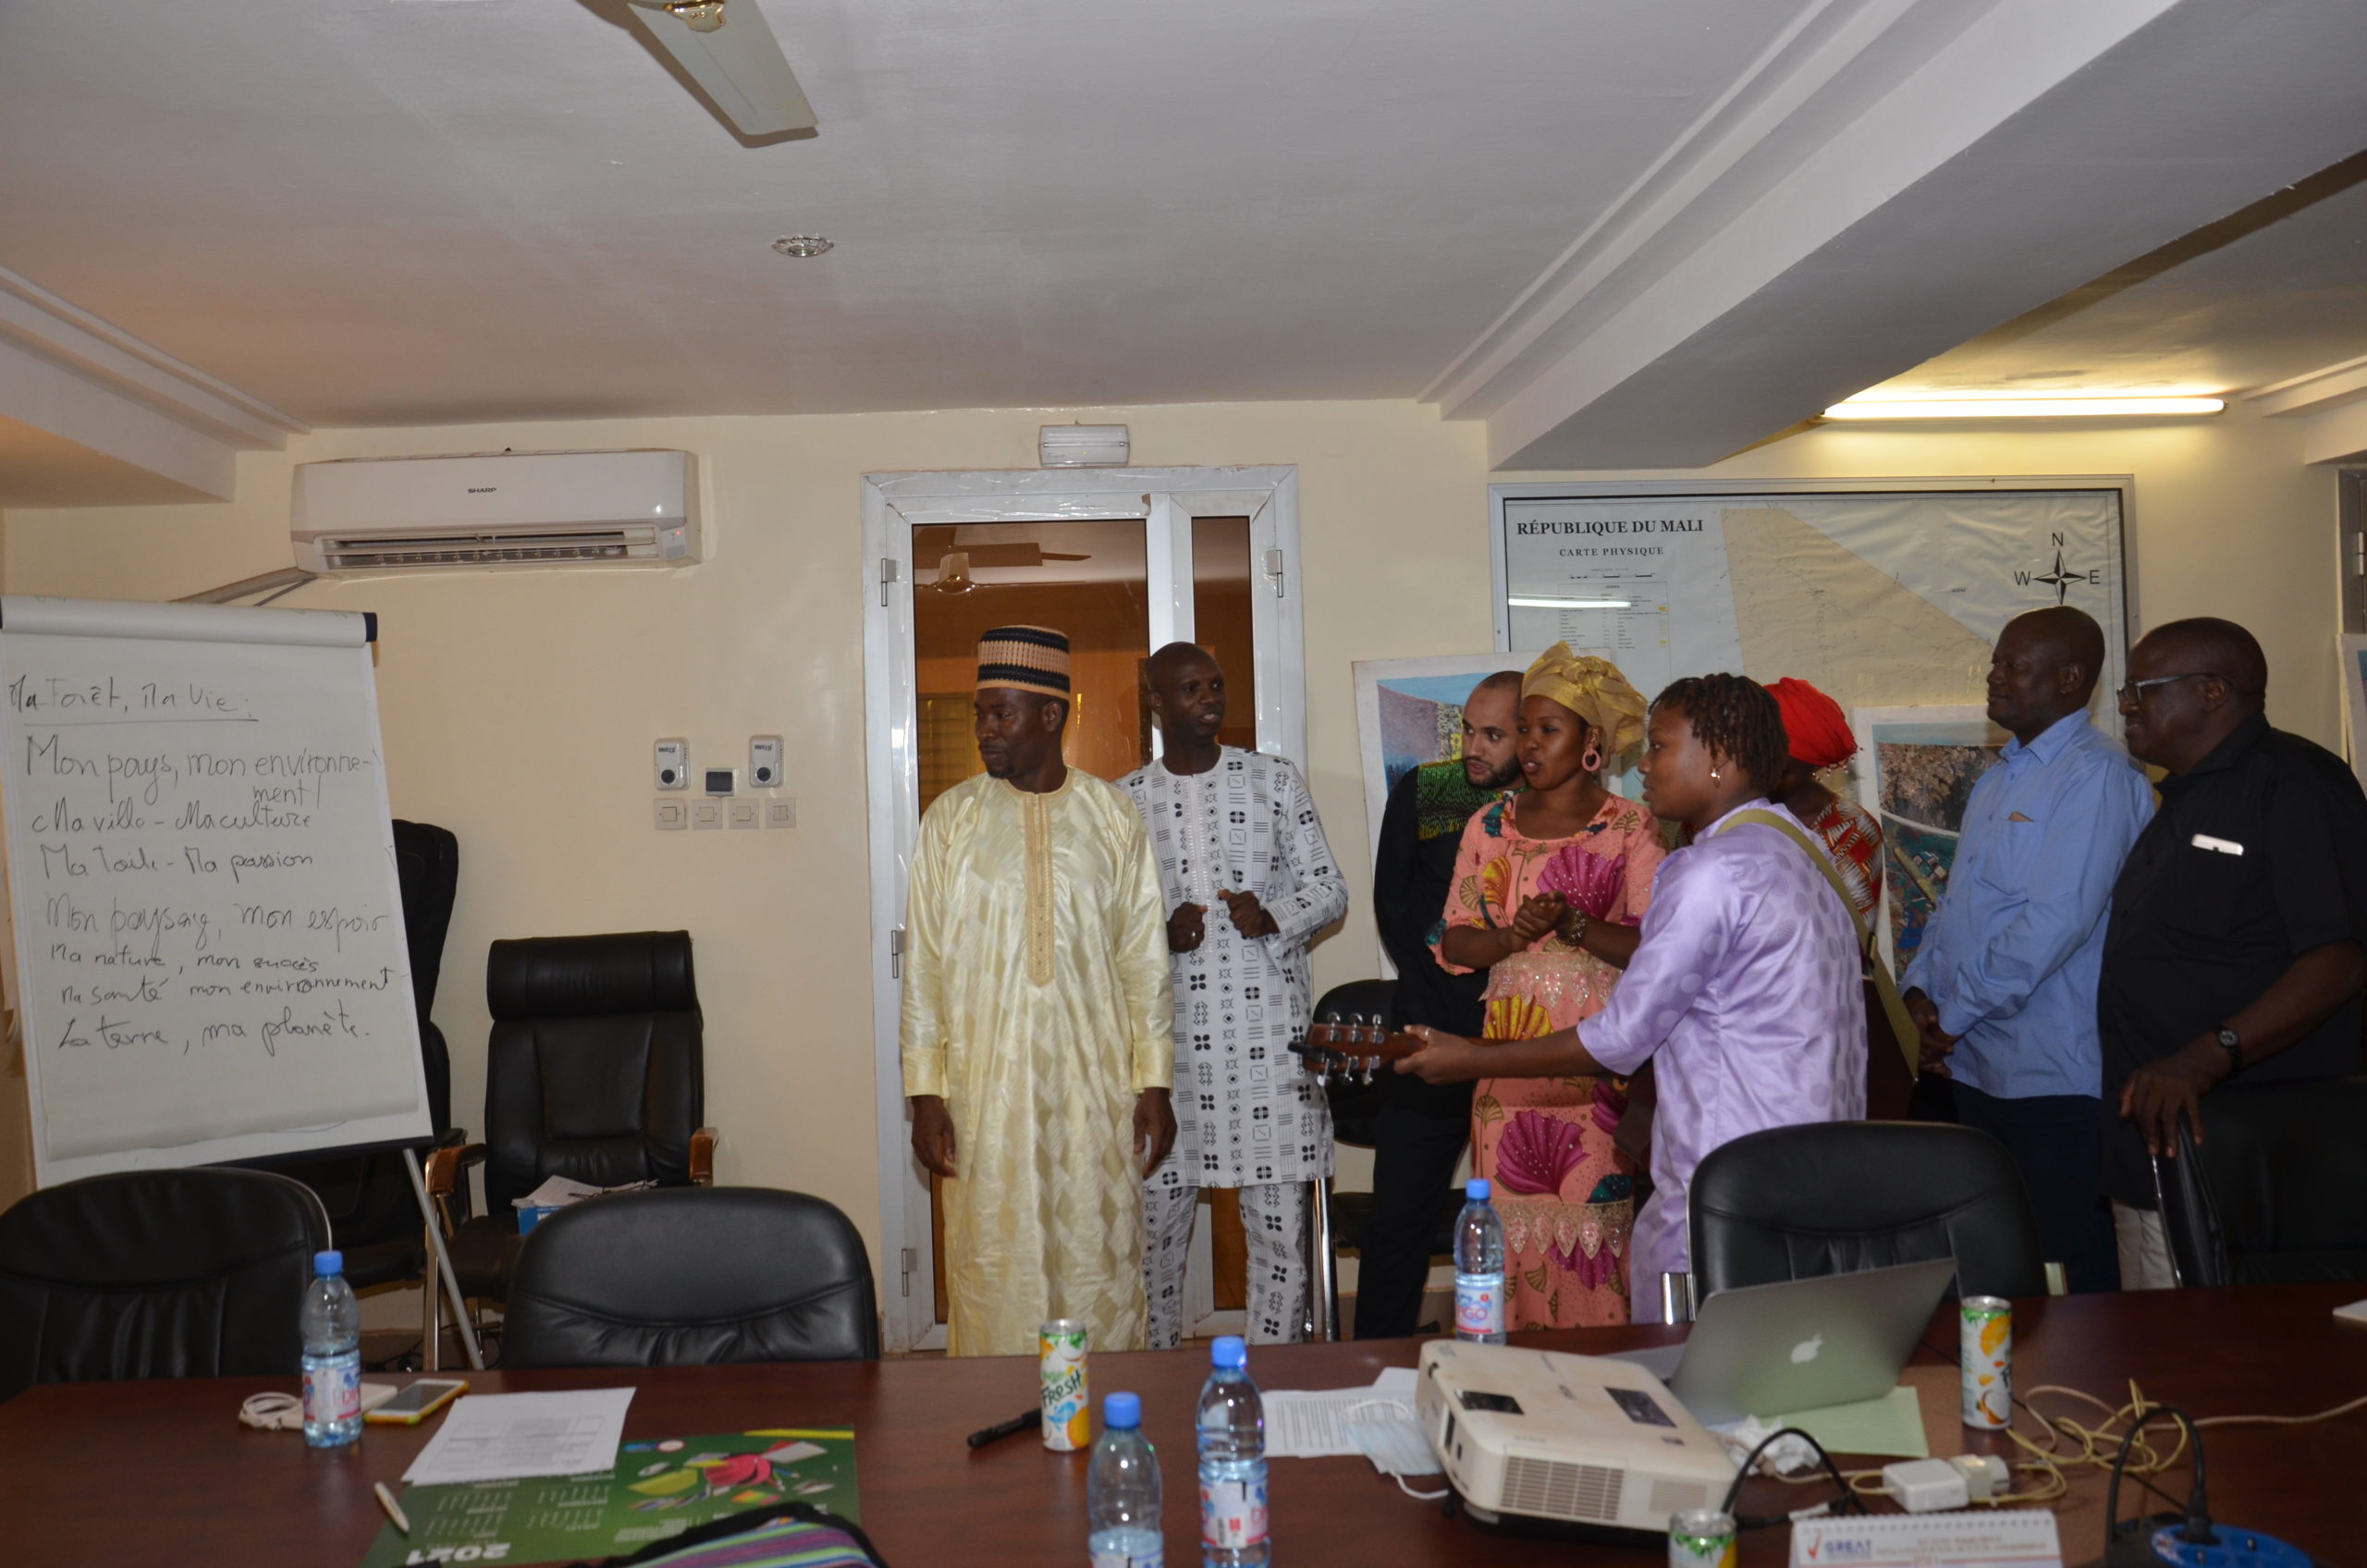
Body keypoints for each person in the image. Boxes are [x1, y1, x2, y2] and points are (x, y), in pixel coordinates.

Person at [1401, 673, 1866, 1322]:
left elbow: (1619, 1039)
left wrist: (1467, 1059)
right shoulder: (1801, 847)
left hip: (1730, 1174)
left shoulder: (1710, 871)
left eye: (1659, 746)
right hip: (1815, 1163)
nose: (1642, 764)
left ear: (1719, 758)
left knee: (1694, 1360)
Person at [900, 625, 1177, 1355]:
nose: (986, 730)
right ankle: (993, 1429)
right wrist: (926, 1092)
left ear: (1051, 717)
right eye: (980, 714)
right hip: (984, 1094)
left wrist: (1154, 1082)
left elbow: (1143, 959)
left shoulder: (1113, 818)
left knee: (1101, 1259)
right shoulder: (950, 823)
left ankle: (1111, 1412)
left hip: (1095, 1091)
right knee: (994, 1265)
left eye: (1002, 714)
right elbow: (923, 965)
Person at [2100, 618, 2367, 1289]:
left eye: (2142, 689)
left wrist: (2206, 1054)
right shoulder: (2186, 796)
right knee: (2151, 1367)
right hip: (2155, 1146)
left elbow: (2339, 959)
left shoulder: (2296, 784)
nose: (2127, 705)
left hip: (2245, 1155)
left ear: (2212, 691)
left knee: (2210, 1369)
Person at [1898, 607, 2152, 1293]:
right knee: (2003, 1273)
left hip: (2054, 1080)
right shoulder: (2001, 776)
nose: (1996, 676)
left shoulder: (2096, 778)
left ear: (2070, 679)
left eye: (2015, 664)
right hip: (1978, 1069)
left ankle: (2087, 1403)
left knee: (2070, 1276)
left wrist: (1952, 1016)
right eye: (1996, 662)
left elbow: (2051, 925)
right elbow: (1956, 911)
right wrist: (1921, 994)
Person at [1121, 643, 1348, 1346]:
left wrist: (1272, 914)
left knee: (1279, 1240)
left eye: (1215, 685)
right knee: (1154, 1239)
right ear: (1156, 704)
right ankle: (1153, 1374)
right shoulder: (1124, 802)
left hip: (1269, 1051)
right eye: (1190, 689)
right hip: (1167, 1056)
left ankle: (1272, 1377)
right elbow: (1100, 927)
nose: (1210, 698)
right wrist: (1159, 932)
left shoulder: (1274, 781)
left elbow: (1330, 889)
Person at [1431, 646, 1661, 1329]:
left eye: (1547, 730)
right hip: (1504, 1077)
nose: (1529, 745)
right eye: (1524, 728)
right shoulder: (1489, 826)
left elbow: (1659, 947)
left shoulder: (1630, 827)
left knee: (1591, 1242)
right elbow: (1453, 940)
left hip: (1596, 1071)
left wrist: (1576, 926)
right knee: (1506, 1242)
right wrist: (1509, 939)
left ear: (1592, 742)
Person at [1355, 668, 1525, 1340]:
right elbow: (1391, 905)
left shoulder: (1550, 811)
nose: (1473, 747)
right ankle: (1369, 1368)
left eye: (1493, 734)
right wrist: (1442, 991)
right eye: (1467, 730)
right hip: (1428, 1036)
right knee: (1398, 1220)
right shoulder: (1428, 790)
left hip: (1522, 1046)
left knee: (1525, 1218)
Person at [1764, 677, 1882, 919]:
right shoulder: (1721, 814)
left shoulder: (1851, 829)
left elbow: (1852, 934)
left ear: (1814, 763)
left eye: (1783, 766)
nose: (1766, 769)